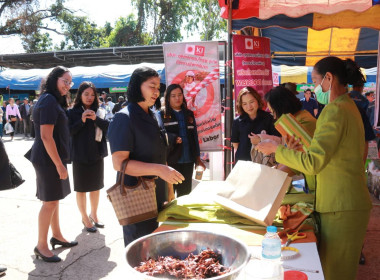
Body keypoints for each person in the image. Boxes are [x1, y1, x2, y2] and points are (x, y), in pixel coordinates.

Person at [256, 57, 372, 280]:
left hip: (342, 204)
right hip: (342, 202)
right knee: (333, 271)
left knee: (336, 273)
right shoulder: (347, 107)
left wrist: (276, 149)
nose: (315, 87)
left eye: (317, 81)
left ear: (329, 78)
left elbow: (313, 162)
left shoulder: (334, 110)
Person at [108, 66, 184, 247]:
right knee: (140, 249)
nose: (157, 92)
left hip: (158, 191)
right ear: (137, 86)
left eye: (158, 87)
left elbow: (160, 152)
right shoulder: (124, 117)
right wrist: (159, 169)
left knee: (157, 245)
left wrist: (169, 186)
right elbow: (119, 163)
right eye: (152, 86)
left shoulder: (155, 115)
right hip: (137, 194)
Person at [26, 66, 78, 262]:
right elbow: (46, 137)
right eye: (65, 81)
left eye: (69, 83)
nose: (67, 86)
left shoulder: (52, 100)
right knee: (49, 202)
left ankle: (57, 235)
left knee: (55, 199)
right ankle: (41, 245)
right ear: (54, 79)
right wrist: (59, 164)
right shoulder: (48, 100)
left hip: (53, 158)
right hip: (48, 160)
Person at [67, 81, 109, 233]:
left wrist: (95, 119)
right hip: (80, 155)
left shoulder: (100, 110)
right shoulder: (72, 112)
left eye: (92, 94)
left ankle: (94, 214)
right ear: (80, 95)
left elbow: (108, 127)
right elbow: (68, 132)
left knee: (96, 187)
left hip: (97, 154)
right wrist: (82, 120)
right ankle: (85, 217)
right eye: (86, 94)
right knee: (81, 189)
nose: (90, 97)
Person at [262, 86, 317, 193]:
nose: (274, 117)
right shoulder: (300, 118)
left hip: (317, 184)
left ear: (281, 108)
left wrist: (271, 175)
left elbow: (296, 163)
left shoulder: (300, 124)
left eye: (273, 112)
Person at [160, 84, 205, 197]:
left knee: (185, 193)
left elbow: (194, 136)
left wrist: (197, 158)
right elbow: (159, 135)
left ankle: (182, 214)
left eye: (180, 95)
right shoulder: (162, 114)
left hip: (188, 159)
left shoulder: (188, 114)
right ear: (168, 98)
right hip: (171, 160)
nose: (177, 98)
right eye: (173, 96)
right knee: (169, 193)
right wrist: (173, 138)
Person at [231, 86, 280, 162]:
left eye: (251, 102)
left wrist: (261, 139)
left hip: (264, 162)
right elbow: (235, 145)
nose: (249, 106)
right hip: (243, 163)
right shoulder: (237, 121)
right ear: (241, 105)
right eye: (244, 104)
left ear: (257, 100)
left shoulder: (269, 118)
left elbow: (278, 140)